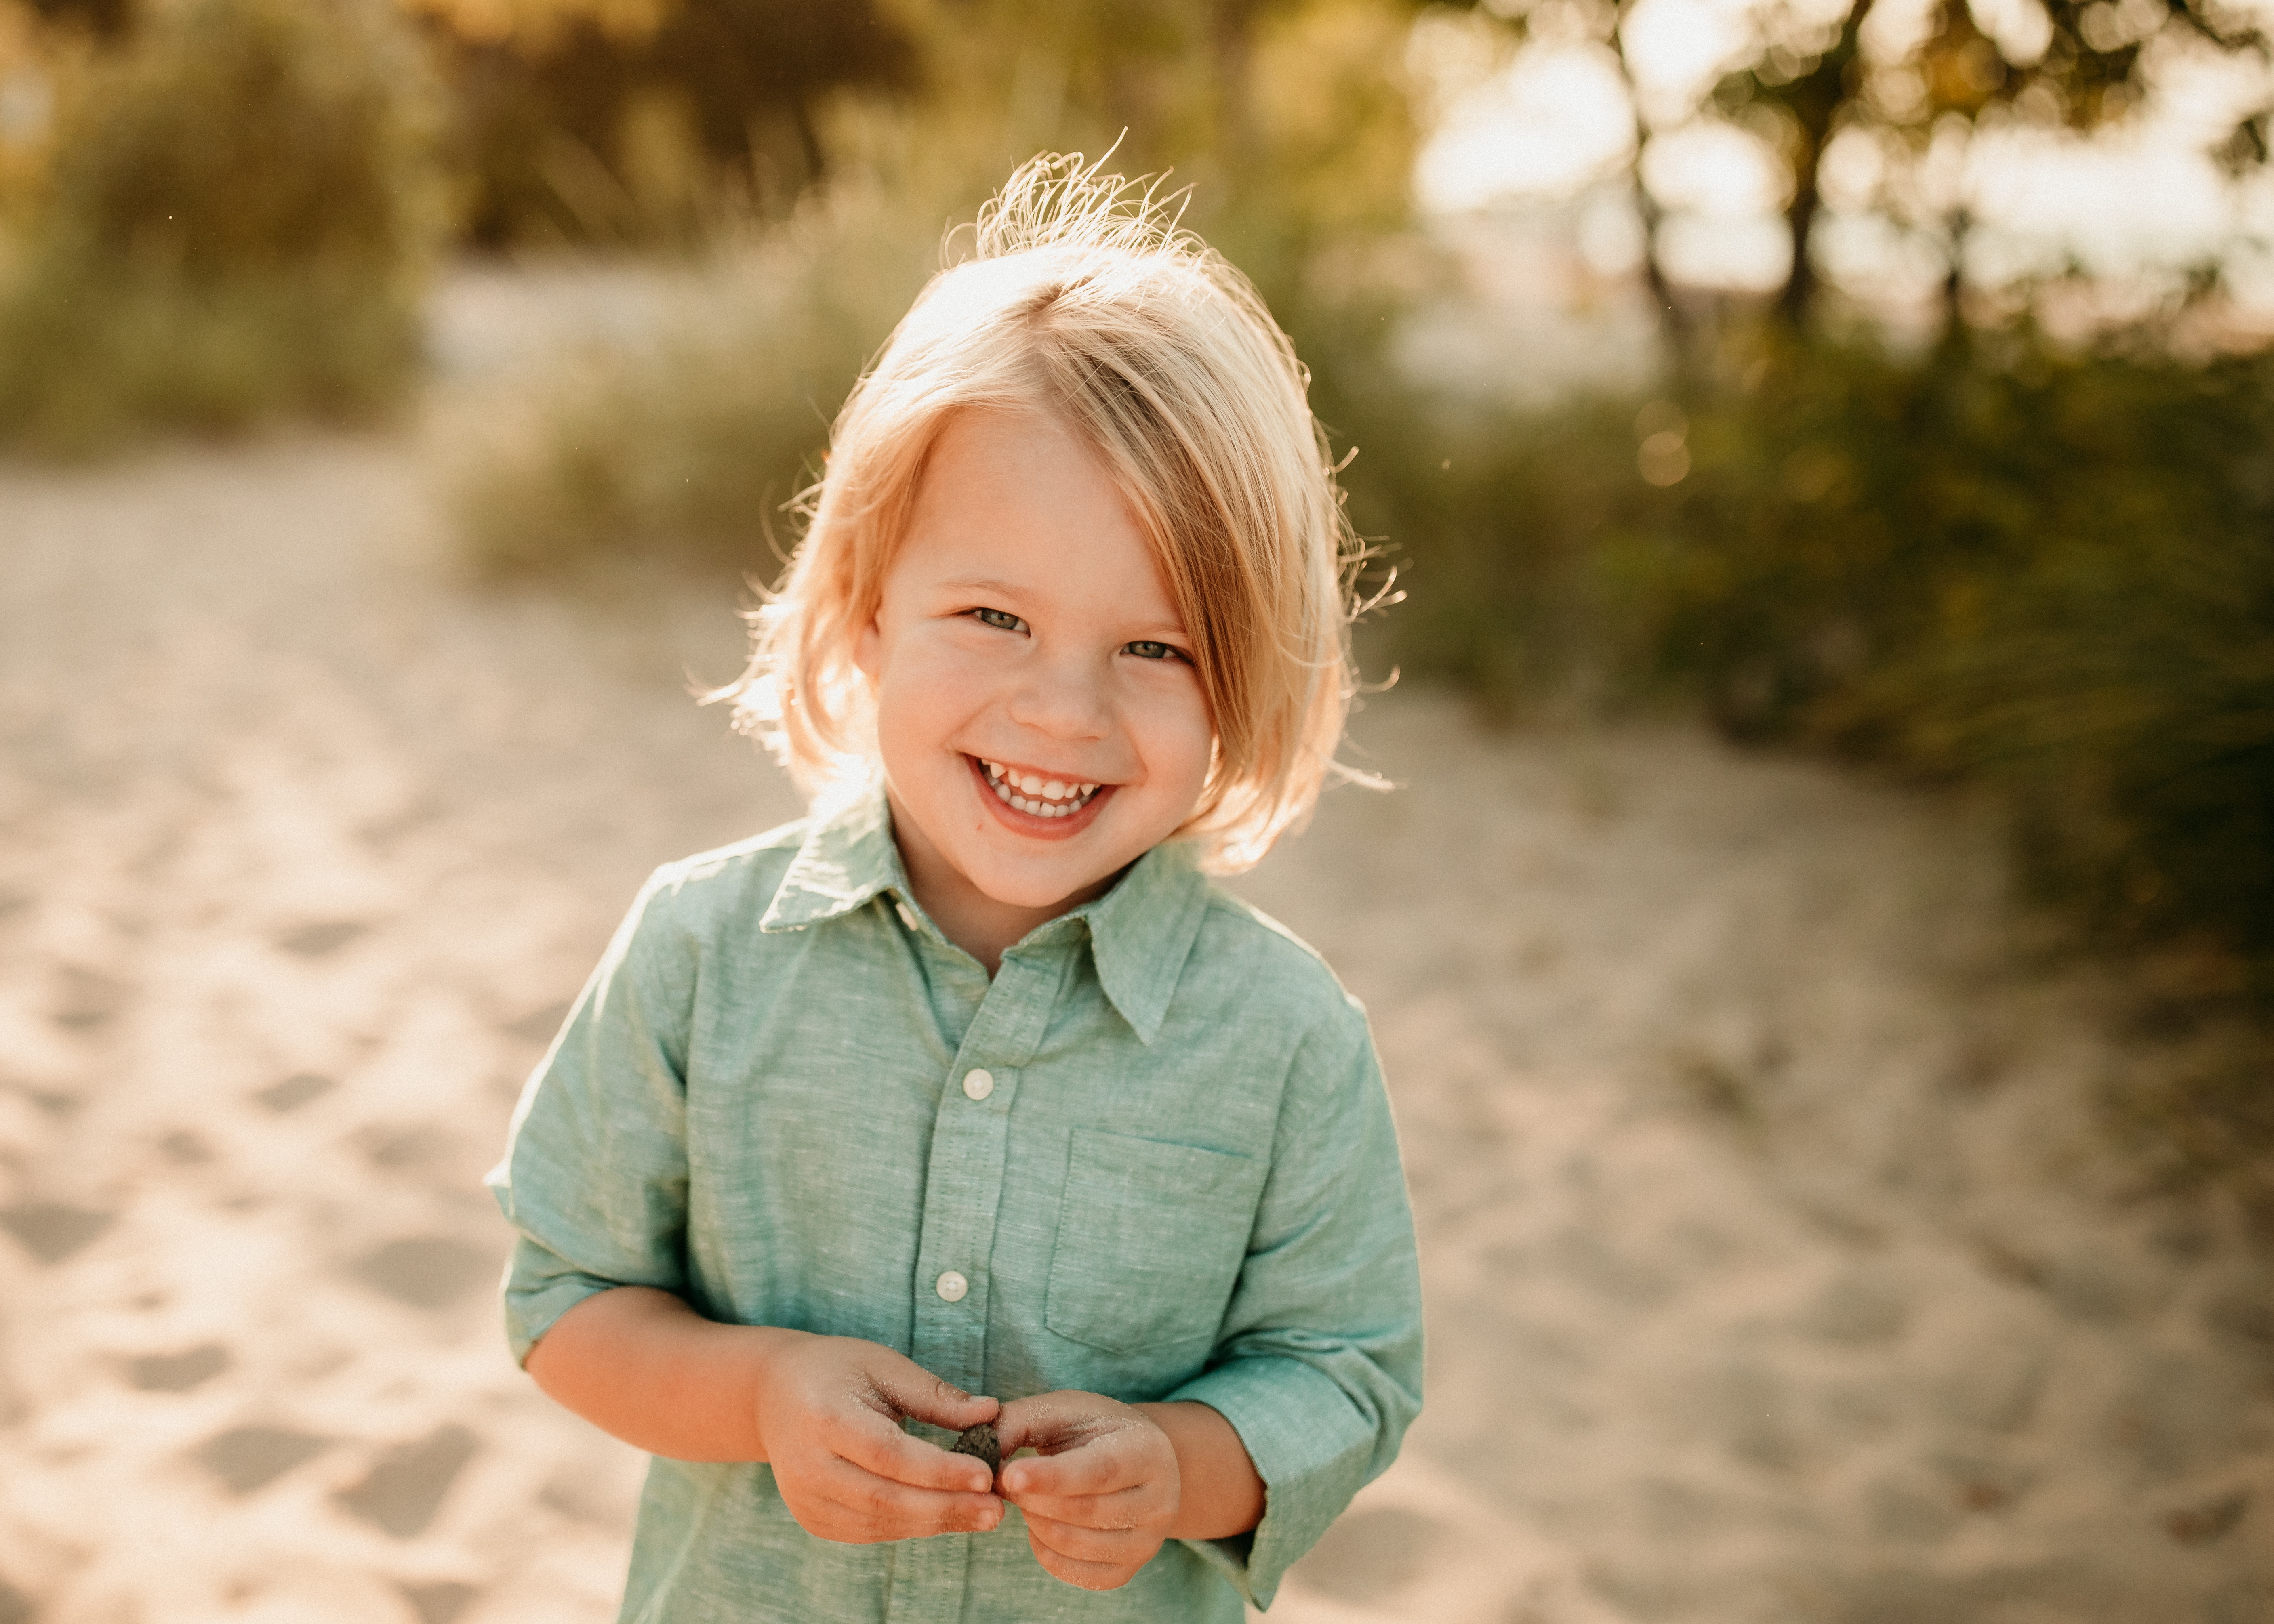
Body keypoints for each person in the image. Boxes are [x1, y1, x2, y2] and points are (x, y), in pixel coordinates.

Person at [487, 151, 1424, 1623]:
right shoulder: (701, 951)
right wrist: (763, 1393)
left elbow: (1348, 1374)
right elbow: (565, 1300)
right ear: (864, 607)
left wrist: (1179, 1464)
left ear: (1245, 682)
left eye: (1157, 648)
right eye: (994, 616)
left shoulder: (1287, 1039)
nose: (1064, 712)